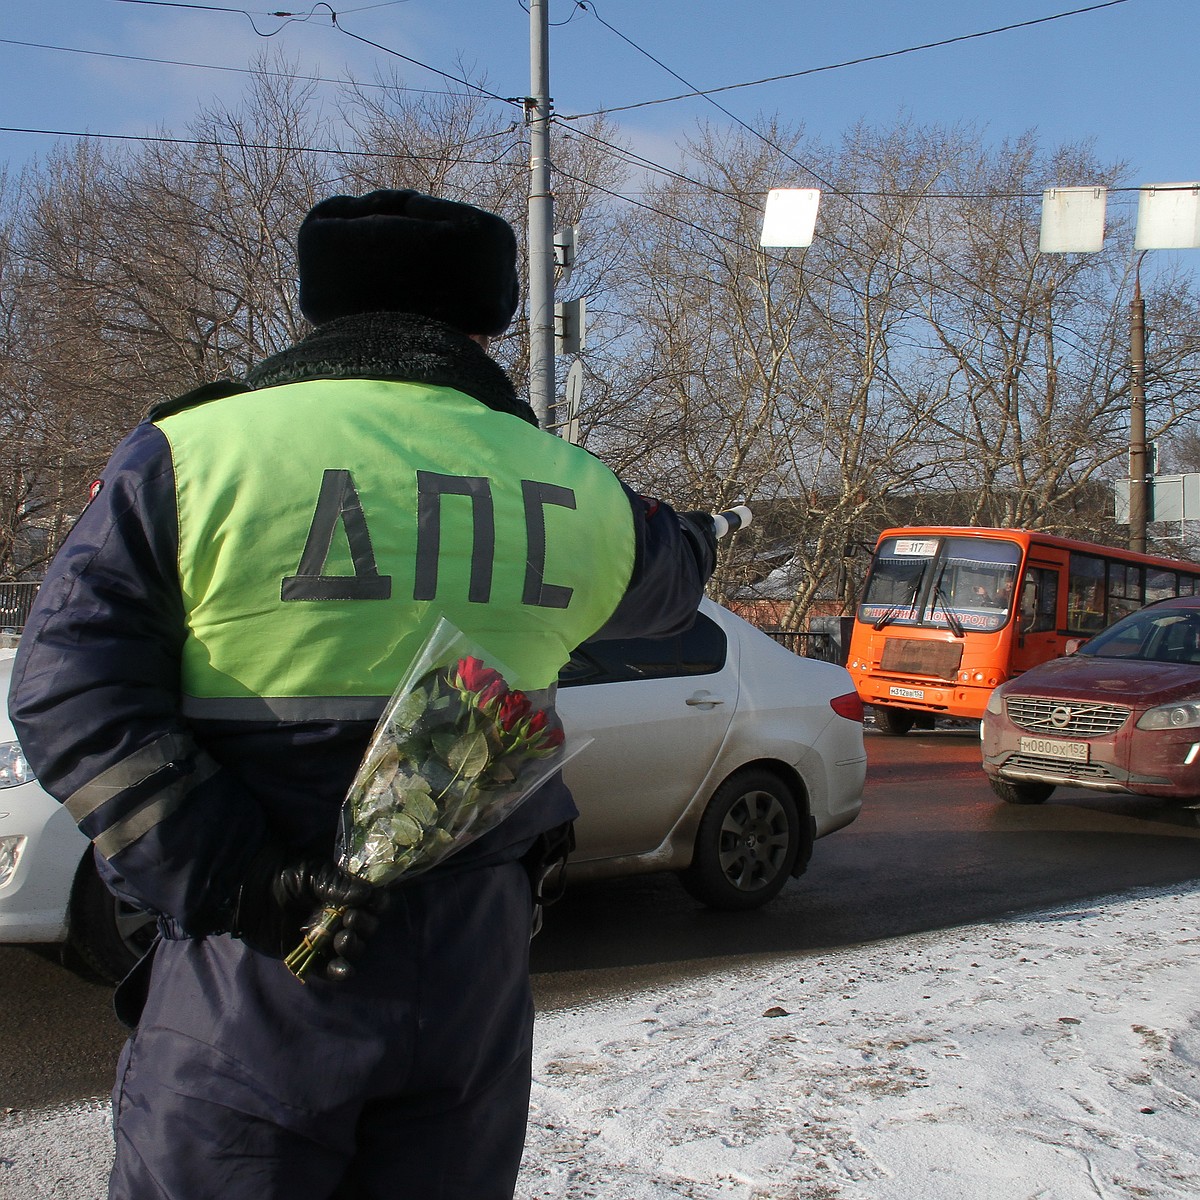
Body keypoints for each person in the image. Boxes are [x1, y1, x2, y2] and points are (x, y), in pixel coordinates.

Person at [7, 189, 716, 1200]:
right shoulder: (569, 486)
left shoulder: (193, 454)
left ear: (317, 307)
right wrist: (699, 530)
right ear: (492, 320)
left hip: (250, 976)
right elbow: (672, 579)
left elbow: (66, 689)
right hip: (470, 989)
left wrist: (238, 878)